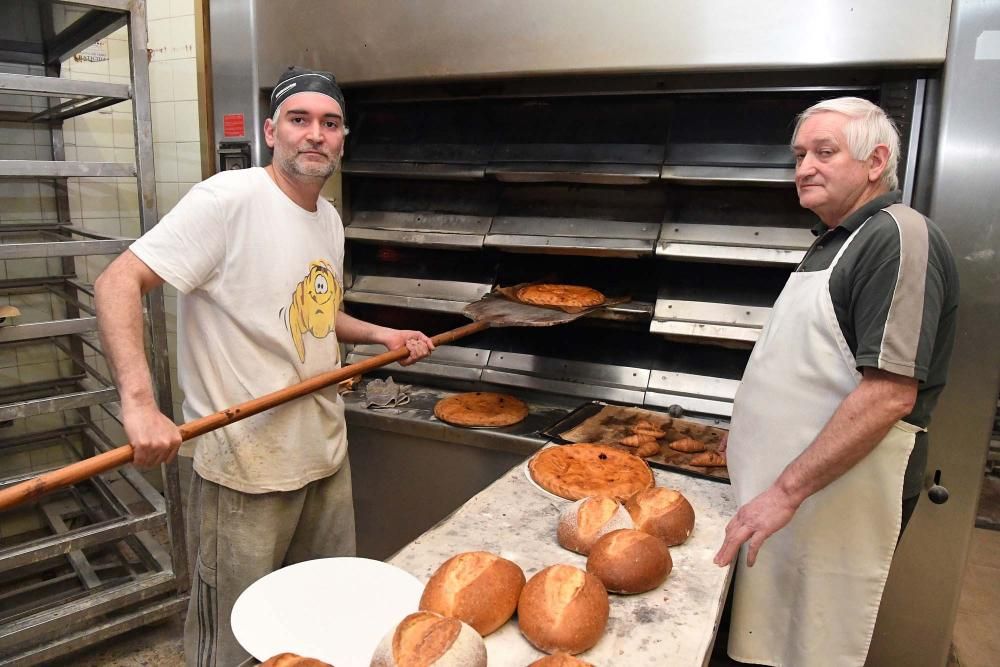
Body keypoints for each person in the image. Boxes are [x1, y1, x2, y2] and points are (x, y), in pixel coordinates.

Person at [94, 66, 435, 666]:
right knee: (236, 638)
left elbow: (315, 313)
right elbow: (119, 281)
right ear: (272, 130)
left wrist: (381, 332)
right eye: (299, 120)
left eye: (329, 123)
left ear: (343, 138)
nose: (315, 134)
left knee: (320, 621)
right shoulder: (228, 201)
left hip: (325, 455)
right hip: (245, 466)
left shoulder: (326, 218)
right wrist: (141, 404)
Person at [713, 97, 959, 666]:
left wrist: (784, 491)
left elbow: (889, 393)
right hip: (789, 497)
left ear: (876, 162)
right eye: (799, 154)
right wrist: (749, 434)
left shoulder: (896, 237)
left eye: (824, 152)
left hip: (832, 500)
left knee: (807, 647)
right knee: (765, 642)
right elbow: (811, 366)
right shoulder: (836, 241)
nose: (803, 167)